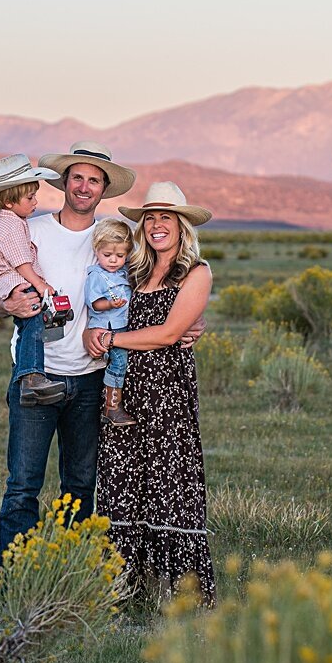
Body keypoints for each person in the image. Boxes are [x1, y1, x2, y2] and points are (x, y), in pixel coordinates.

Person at [0, 142, 137, 558]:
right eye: (78, 177)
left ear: (104, 188)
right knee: (23, 486)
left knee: (80, 485)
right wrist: (6, 304)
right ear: (64, 182)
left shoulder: (113, 238)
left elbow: (150, 284)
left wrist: (191, 316)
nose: (84, 186)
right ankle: (17, 581)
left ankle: (70, 579)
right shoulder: (29, 229)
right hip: (36, 377)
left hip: (91, 379)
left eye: (94, 179)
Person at [87, 181, 217, 605]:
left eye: (167, 217)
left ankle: (178, 594)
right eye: (151, 218)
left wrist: (111, 339)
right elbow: (104, 306)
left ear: (182, 226)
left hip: (168, 397)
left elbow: (171, 332)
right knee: (122, 483)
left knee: (168, 486)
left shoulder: (196, 272)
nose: (158, 225)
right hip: (125, 394)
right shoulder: (134, 271)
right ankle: (121, 590)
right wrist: (95, 330)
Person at [0, 153, 65, 405]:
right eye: (30, 197)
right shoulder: (10, 224)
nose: (36, 201)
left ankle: (28, 376)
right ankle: (30, 376)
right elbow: (21, 261)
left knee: (30, 324)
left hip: (12, 278)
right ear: (10, 202)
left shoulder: (13, 220)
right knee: (33, 323)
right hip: (13, 279)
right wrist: (41, 284)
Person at [85, 218, 134, 427]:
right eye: (107, 255)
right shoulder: (97, 275)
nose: (113, 260)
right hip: (108, 327)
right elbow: (94, 303)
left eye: (120, 255)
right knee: (120, 362)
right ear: (97, 250)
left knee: (122, 363)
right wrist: (110, 304)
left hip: (121, 326)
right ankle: (111, 406)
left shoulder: (123, 271)